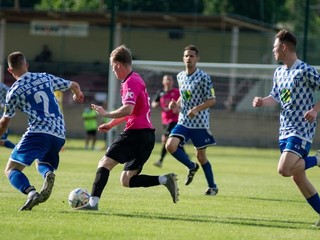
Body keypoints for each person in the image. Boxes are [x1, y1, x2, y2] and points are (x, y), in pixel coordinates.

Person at [76, 45, 179, 211]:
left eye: (112, 67)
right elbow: (133, 111)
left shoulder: (130, 82)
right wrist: (111, 124)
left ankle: (92, 204)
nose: (113, 72)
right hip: (147, 137)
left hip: (135, 134)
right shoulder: (137, 78)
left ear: (118, 65)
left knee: (104, 163)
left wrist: (106, 114)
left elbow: (128, 109)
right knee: (127, 180)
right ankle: (165, 180)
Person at [252, 29, 320, 227]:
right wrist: (262, 102)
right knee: (298, 178)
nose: (273, 51)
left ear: (283, 47)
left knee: (284, 169)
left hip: (301, 130)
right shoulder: (279, 72)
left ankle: (317, 159)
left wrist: (315, 110)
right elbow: (276, 97)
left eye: (275, 47)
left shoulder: (305, 70)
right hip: (284, 130)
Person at [0, 51, 84, 211]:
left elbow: (4, 123)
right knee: (43, 163)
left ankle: (31, 192)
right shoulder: (44, 77)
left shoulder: (14, 91)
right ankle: (47, 174)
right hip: (59, 134)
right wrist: (78, 94)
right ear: (26, 65)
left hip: (38, 132)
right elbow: (74, 85)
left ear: (10, 71)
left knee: (11, 169)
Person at [166, 44, 218, 196]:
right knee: (170, 145)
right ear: (183, 58)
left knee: (201, 156)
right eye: (186, 56)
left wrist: (197, 109)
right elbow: (184, 95)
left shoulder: (204, 77)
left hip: (200, 124)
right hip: (183, 121)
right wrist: (176, 103)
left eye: (192, 56)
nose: (189, 58)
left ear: (197, 59)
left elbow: (212, 100)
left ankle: (212, 187)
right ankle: (191, 166)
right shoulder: (180, 76)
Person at [152, 74, 186, 168]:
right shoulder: (161, 92)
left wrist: (178, 107)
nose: (168, 81)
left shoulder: (176, 92)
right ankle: (185, 157)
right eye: (166, 80)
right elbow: (154, 102)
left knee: (165, 139)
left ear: (172, 82)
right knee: (174, 141)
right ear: (163, 82)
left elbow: (186, 97)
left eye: (169, 80)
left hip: (174, 119)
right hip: (165, 120)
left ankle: (160, 160)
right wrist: (155, 104)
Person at [0, 82, 15, 149]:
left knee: (1, 141)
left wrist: (3, 104)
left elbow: (11, 94)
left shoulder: (2, 86)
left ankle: (19, 149)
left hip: (1, 117)